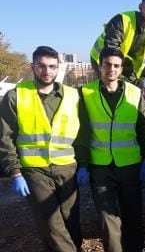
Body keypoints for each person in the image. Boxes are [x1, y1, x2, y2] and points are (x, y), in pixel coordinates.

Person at [0, 46, 83, 251]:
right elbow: (5, 137)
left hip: (67, 168)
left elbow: (84, 134)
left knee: (71, 221)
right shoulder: (16, 96)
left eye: (52, 67)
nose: (47, 71)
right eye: (41, 66)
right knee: (50, 223)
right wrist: (15, 172)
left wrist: (85, 164)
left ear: (58, 68)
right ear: (33, 67)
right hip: (34, 170)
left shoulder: (73, 96)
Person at [77, 47, 145, 252]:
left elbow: (143, 129)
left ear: (121, 69)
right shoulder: (85, 93)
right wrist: (82, 165)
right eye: (107, 64)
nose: (112, 69)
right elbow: (81, 132)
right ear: (99, 66)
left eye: (116, 65)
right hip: (99, 167)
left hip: (130, 165)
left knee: (133, 215)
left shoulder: (135, 93)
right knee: (107, 219)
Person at [90, 0, 145, 88]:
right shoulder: (122, 20)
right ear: (140, 7)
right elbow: (111, 49)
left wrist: (141, 79)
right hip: (103, 59)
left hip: (126, 63)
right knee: (113, 89)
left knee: (135, 92)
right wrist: (120, 78)